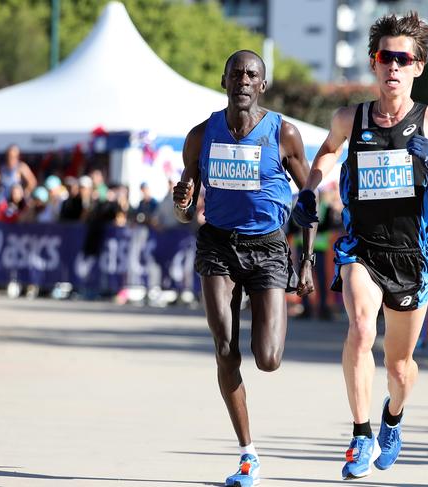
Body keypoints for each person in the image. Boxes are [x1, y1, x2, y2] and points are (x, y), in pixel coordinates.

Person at [292, 12, 428, 480]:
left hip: (413, 257)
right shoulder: (351, 117)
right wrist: (311, 186)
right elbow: (328, 150)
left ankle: (392, 419)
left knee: (401, 366)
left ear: (418, 66)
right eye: (384, 57)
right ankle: (359, 434)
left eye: (401, 58)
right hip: (361, 249)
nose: (392, 65)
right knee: (361, 328)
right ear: (373, 64)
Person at [172, 49, 315, 487]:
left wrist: (306, 260)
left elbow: (308, 200)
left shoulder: (283, 133)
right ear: (224, 81)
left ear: (263, 85)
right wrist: (180, 204)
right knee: (224, 346)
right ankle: (247, 454)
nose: (244, 80)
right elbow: (184, 208)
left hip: (269, 248)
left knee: (268, 359)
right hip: (217, 245)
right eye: (236, 73)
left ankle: (261, 321)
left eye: (252, 74)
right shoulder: (201, 135)